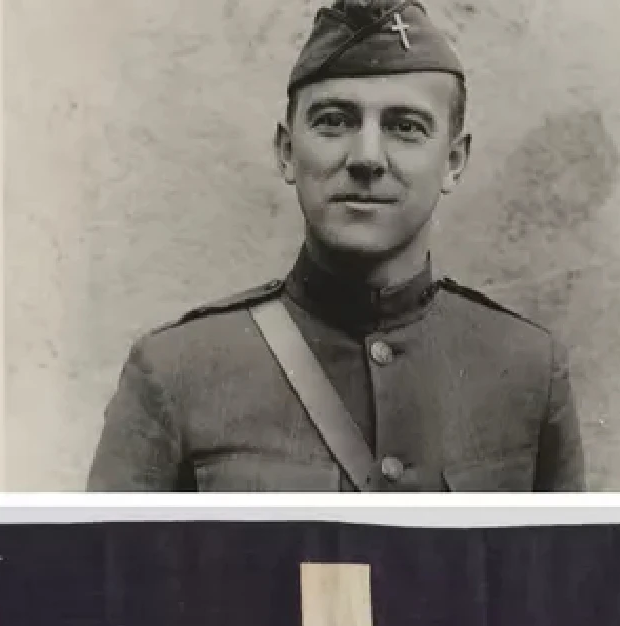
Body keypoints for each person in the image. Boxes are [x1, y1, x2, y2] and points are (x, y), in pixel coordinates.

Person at [86, 0, 584, 492]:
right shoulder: (176, 372)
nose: (366, 158)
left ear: (453, 162)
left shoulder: (528, 371)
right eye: (334, 121)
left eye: (405, 127)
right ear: (287, 151)